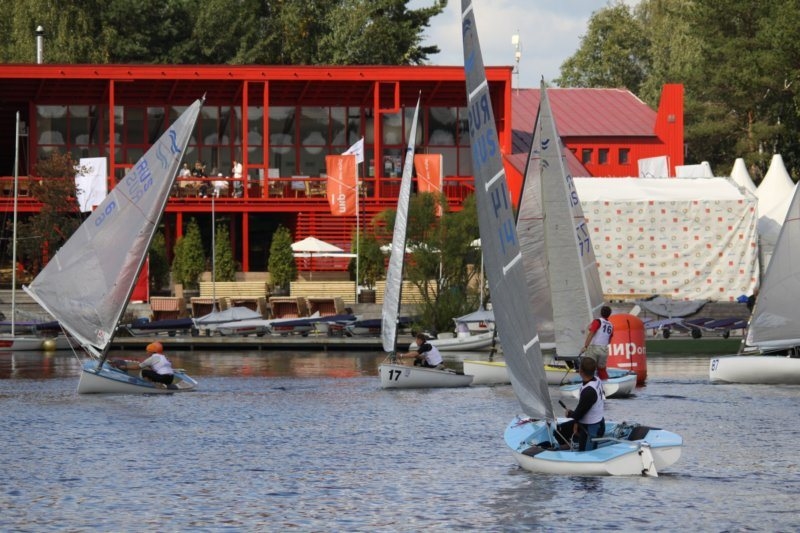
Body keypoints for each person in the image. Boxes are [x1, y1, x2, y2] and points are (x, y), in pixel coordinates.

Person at [564, 357, 605, 451]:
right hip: (597, 422)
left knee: (586, 453)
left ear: (581, 371)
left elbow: (577, 414)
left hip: (592, 428)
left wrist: (569, 413)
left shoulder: (589, 392)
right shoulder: (597, 379)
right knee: (562, 428)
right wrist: (576, 423)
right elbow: (582, 408)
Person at [581, 305, 613, 380]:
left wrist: (585, 346)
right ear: (609, 314)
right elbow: (609, 341)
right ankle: (605, 382)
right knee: (602, 369)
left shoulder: (597, 321)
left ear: (601, 313)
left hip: (594, 348)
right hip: (604, 349)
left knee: (588, 367)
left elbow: (591, 333)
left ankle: (589, 383)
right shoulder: (611, 325)